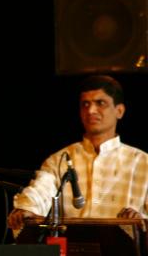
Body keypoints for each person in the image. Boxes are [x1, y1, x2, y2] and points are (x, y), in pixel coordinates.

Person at [8, 75, 148, 234]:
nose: (91, 110)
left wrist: (140, 221)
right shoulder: (59, 160)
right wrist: (25, 210)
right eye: (85, 104)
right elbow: (40, 192)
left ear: (119, 111)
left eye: (100, 103)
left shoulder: (142, 163)